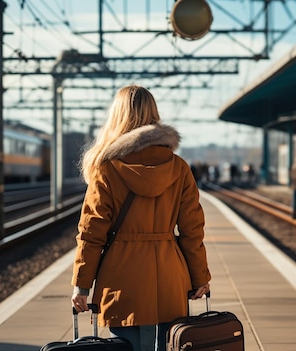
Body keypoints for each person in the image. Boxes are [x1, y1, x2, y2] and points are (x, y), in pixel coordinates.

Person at [71, 84, 211, 351]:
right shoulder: (179, 167)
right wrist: (200, 277)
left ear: (118, 117)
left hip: (122, 281)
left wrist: (81, 285)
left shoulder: (106, 169)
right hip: (170, 280)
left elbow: (91, 233)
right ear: (154, 115)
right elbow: (193, 230)